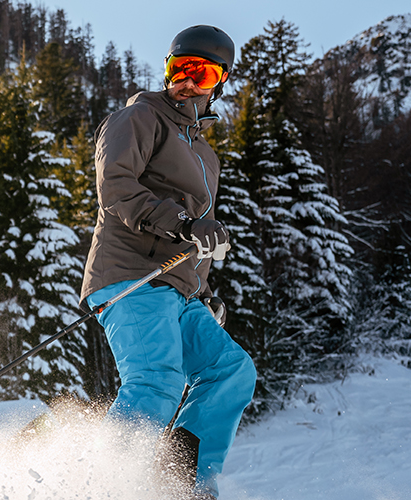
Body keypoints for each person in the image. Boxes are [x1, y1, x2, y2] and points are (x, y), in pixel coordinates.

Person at [80, 25, 256, 499]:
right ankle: (109, 486)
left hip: (179, 290)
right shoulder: (138, 118)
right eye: (180, 69)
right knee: (156, 380)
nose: (188, 81)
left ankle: (182, 482)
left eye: (202, 73)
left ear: (219, 82)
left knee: (231, 370)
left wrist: (202, 290)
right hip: (131, 276)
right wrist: (183, 224)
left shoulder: (205, 155)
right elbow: (116, 187)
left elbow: (198, 235)